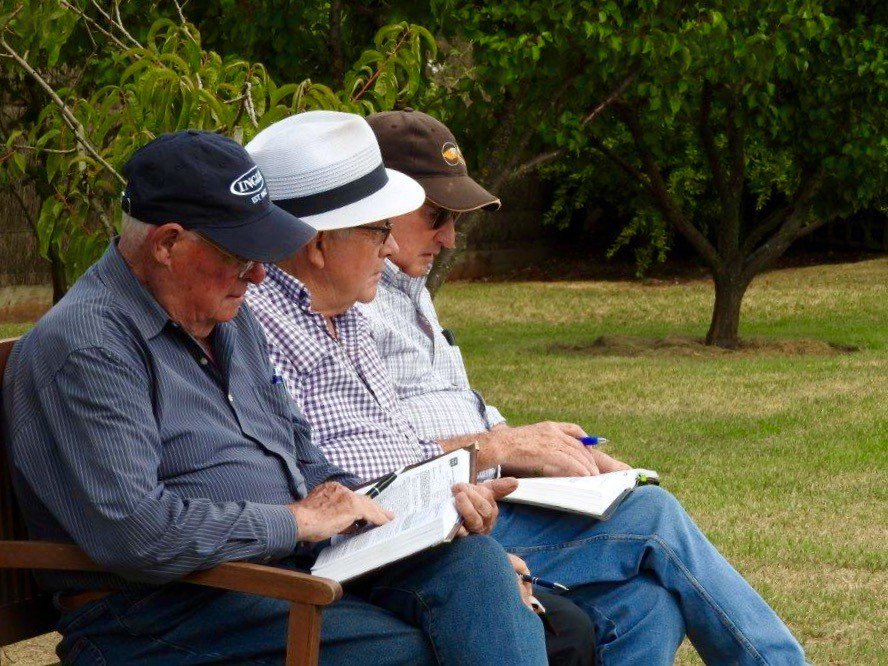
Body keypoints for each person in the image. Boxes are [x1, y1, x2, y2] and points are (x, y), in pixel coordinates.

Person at [249, 110, 808, 665]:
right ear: (326, 240)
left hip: (453, 505)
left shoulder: (362, 300)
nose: (443, 238)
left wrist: (533, 454)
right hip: (400, 536)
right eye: (422, 217)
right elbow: (325, 472)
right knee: (654, 519)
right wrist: (494, 453)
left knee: (645, 605)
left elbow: (401, 432)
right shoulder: (307, 307)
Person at [2, 130, 549, 665]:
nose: (261, 273)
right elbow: (139, 533)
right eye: (242, 252)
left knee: (475, 565)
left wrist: (416, 509)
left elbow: (302, 454)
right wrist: (295, 522)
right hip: (159, 613)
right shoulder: (88, 347)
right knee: (411, 649)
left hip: (279, 575)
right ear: (167, 243)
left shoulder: (227, 320)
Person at [245, 110, 595, 666]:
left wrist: (454, 510)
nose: (389, 250)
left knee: (568, 615)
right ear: (317, 247)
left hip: (403, 540)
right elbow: (310, 482)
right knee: (559, 610)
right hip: (345, 557)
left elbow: (398, 446)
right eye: (379, 229)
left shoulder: (351, 313)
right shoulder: (255, 326)